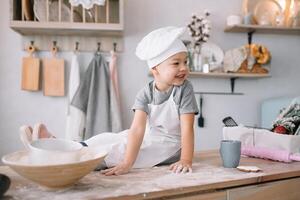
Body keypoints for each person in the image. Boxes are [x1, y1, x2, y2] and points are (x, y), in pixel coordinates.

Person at [20, 26, 199, 175]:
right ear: (155, 69)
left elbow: (187, 128)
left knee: (119, 148)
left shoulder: (184, 90)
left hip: (171, 147)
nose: (184, 68)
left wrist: (186, 159)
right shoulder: (145, 93)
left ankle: (58, 155)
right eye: (176, 63)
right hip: (149, 136)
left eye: (185, 62)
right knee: (107, 137)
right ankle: (61, 146)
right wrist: (129, 162)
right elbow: (137, 129)